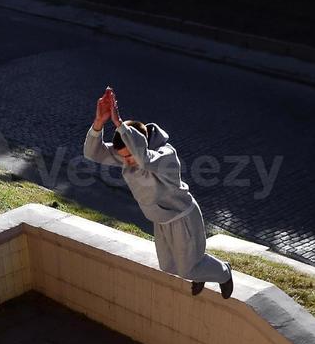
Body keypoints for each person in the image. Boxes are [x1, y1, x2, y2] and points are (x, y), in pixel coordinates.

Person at [83, 87, 233, 298]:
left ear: (139, 143)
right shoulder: (130, 155)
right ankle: (199, 266)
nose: (127, 161)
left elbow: (144, 159)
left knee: (188, 268)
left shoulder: (166, 156)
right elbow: (93, 153)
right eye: (123, 157)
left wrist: (119, 123)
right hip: (161, 220)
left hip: (182, 217)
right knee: (169, 266)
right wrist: (99, 123)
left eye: (128, 156)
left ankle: (224, 272)